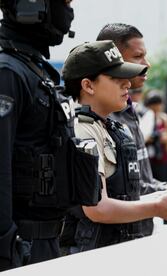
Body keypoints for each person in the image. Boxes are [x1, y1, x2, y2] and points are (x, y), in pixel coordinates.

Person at [61, 40, 167, 251]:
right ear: (88, 85)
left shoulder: (105, 125)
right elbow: (98, 209)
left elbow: (121, 197)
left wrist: (161, 195)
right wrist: (156, 207)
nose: (128, 84)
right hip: (89, 258)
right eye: (116, 79)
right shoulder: (82, 128)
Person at [0, 0, 99, 270]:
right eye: (65, 2)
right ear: (32, 6)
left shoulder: (35, 69)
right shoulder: (8, 72)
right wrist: (7, 250)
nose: (69, 11)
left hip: (46, 243)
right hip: (21, 248)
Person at [95, 23, 167, 237]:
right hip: (108, 245)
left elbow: (135, 185)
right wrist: (157, 203)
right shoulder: (98, 116)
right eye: (138, 57)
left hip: (137, 235)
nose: (147, 64)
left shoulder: (130, 110)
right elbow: (98, 205)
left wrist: (165, 189)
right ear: (112, 58)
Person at [142, 90, 167, 182]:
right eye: (152, 104)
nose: (155, 107)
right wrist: (149, 138)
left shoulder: (164, 119)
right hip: (147, 160)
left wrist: (165, 139)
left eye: (157, 104)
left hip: (161, 160)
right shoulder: (144, 118)